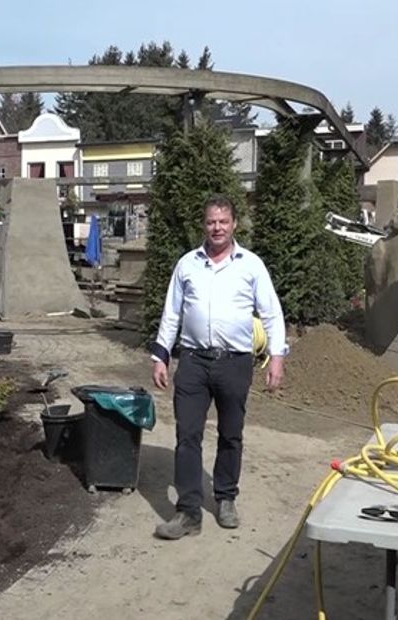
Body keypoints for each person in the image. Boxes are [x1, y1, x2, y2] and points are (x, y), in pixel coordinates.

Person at [150, 195, 288, 540]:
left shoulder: (251, 265)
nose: (217, 228)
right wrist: (160, 355)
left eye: (223, 221)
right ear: (204, 224)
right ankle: (188, 513)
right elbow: (172, 313)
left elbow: (271, 313)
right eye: (211, 221)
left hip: (235, 363)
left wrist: (277, 358)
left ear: (234, 225)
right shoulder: (187, 264)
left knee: (231, 434)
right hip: (193, 361)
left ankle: (225, 498)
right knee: (187, 436)